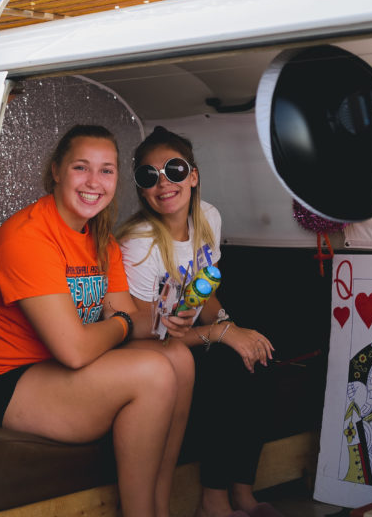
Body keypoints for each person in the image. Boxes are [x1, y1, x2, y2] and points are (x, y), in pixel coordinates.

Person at [0, 124, 194, 517]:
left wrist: (166, 320)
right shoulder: (27, 237)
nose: (94, 181)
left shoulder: (99, 238)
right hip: (6, 382)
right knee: (152, 372)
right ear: (57, 171)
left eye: (107, 170)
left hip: (59, 367)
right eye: (82, 167)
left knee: (178, 356)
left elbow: (131, 313)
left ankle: (160, 508)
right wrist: (124, 324)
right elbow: (76, 349)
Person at [117, 126, 280, 517]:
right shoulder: (139, 243)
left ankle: (243, 492)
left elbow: (203, 289)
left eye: (174, 170)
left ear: (193, 175)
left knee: (259, 356)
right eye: (148, 176)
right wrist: (223, 335)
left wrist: (234, 329)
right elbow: (144, 333)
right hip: (152, 346)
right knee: (224, 367)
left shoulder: (208, 218)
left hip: (190, 332)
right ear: (140, 189)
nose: (163, 183)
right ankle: (213, 501)